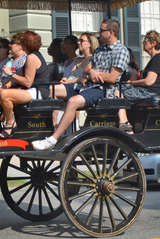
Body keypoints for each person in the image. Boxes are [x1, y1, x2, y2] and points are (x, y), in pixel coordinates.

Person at [32, 18, 131, 151]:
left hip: (102, 89)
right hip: (85, 85)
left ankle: (52, 140)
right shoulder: (99, 50)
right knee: (50, 90)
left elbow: (112, 78)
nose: (99, 33)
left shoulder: (121, 51)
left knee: (73, 101)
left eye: (102, 30)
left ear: (111, 32)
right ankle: (38, 128)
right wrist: (91, 72)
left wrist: (95, 74)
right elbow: (86, 69)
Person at [0, 31, 53, 137]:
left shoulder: (31, 57)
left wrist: (10, 74)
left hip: (38, 91)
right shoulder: (28, 56)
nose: (11, 44)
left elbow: (28, 82)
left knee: (5, 94)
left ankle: (10, 123)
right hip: (29, 89)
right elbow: (19, 77)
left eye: (20, 41)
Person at [117, 30, 160, 131]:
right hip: (149, 91)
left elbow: (148, 81)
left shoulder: (158, 59)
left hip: (152, 93)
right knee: (119, 88)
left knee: (118, 90)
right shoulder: (155, 59)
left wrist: (131, 83)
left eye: (145, 40)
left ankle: (124, 121)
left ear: (153, 44)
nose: (143, 43)